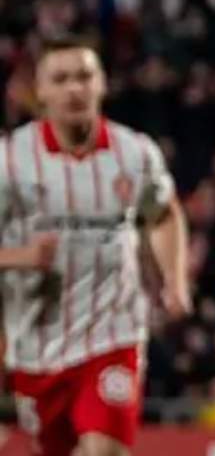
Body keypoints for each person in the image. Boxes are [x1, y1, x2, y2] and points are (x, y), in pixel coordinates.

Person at [0, 36, 191, 456]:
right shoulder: (11, 161)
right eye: (61, 79)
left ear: (102, 83)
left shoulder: (134, 153)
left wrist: (175, 283)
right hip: (36, 345)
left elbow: (162, 213)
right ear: (41, 91)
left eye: (85, 76)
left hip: (114, 334)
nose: (75, 89)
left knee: (103, 451)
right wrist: (20, 258)